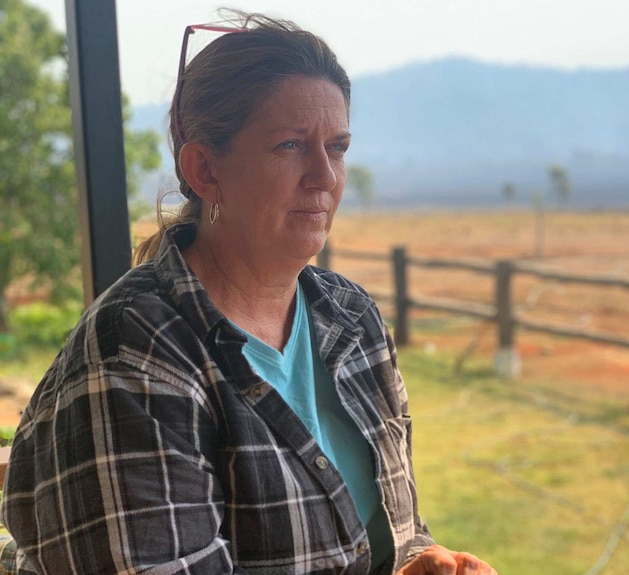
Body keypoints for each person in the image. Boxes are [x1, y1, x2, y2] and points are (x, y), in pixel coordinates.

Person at [0, 12, 496, 575]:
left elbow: (384, 532)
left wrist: (418, 561)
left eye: (336, 147)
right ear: (205, 169)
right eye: (290, 145)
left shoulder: (352, 319)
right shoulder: (135, 357)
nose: (325, 177)